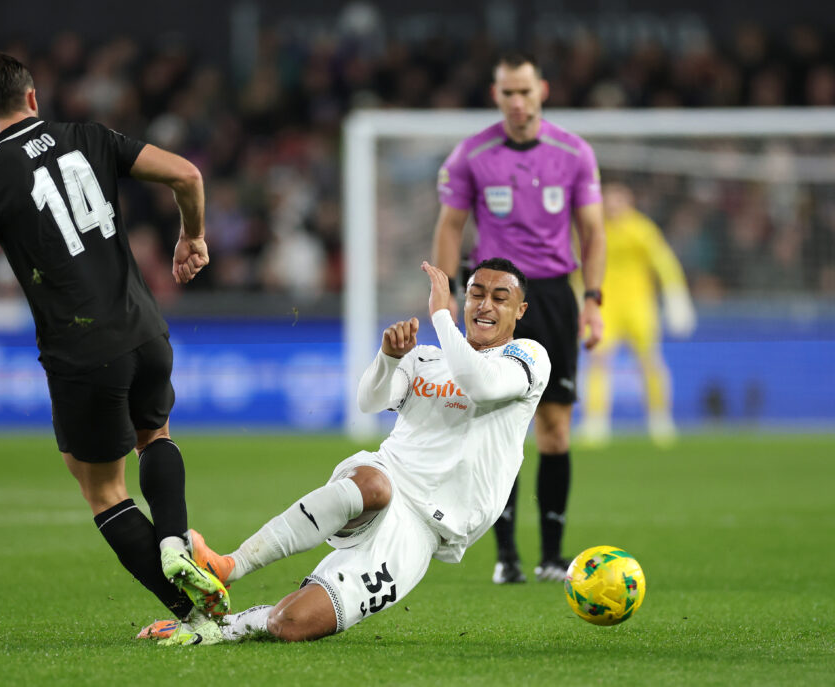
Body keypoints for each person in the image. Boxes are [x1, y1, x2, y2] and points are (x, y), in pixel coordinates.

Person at [0, 50, 228, 632]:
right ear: (32, 97)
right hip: (146, 328)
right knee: (152, 437)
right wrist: (192, 237)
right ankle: (177, 540)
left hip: (84, 352)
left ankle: (194, 615)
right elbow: (188, 174)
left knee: (102, 490)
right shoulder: (89, 135)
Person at [140, 258, 550, 645]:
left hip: (422, 532)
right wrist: (389, 359)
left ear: (520, 310)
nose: (484, 304)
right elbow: (370, 402)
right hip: (386, 478)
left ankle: (223, 626)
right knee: (374, 484)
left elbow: (481, 385)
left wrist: (440, 315)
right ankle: (230, 565)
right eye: (476, 293)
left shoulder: (527, 357)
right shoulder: (426, 357)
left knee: (291, 625)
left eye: (499, 298)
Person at [431, 52, 606, 584]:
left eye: (525, 91)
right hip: (495, 295)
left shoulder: (574, 153)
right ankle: (505, 556)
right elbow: (449, 227)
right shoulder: (471, 155)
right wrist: (445, 296)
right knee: (491, 425)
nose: (517, 101)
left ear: (542, 91)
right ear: (496, 95)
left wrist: (594, 299)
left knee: (555, 428)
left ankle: (552, 556)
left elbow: (594, 232)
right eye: (508, 92)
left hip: (553, 296)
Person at [577, 182, 695, 447]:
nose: (613, 207)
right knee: (597, 360)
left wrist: (676, 296)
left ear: (629, 203)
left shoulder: (642, 230)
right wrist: (577, 296)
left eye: (619, 201)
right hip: (605, 304)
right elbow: (579, 266)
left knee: (650, 359)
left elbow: (664, 262)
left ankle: (659, 418)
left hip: (639, 304)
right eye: (609, 201)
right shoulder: (594, 230)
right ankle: (595, 421)